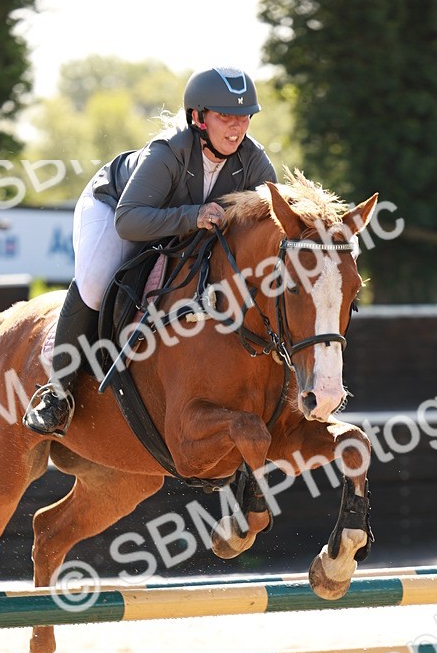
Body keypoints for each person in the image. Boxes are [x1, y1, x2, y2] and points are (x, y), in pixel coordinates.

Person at [23, 65, 277, 437]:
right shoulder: (169, 151)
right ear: (198, 117)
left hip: (174, 219)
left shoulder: (253, 159)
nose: (236, 127)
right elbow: (130, 221)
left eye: (243, 117)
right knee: (95, 282)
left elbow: (273, 216)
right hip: (116, 208)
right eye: (225, 116)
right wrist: (193, 216)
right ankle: (58, 394)